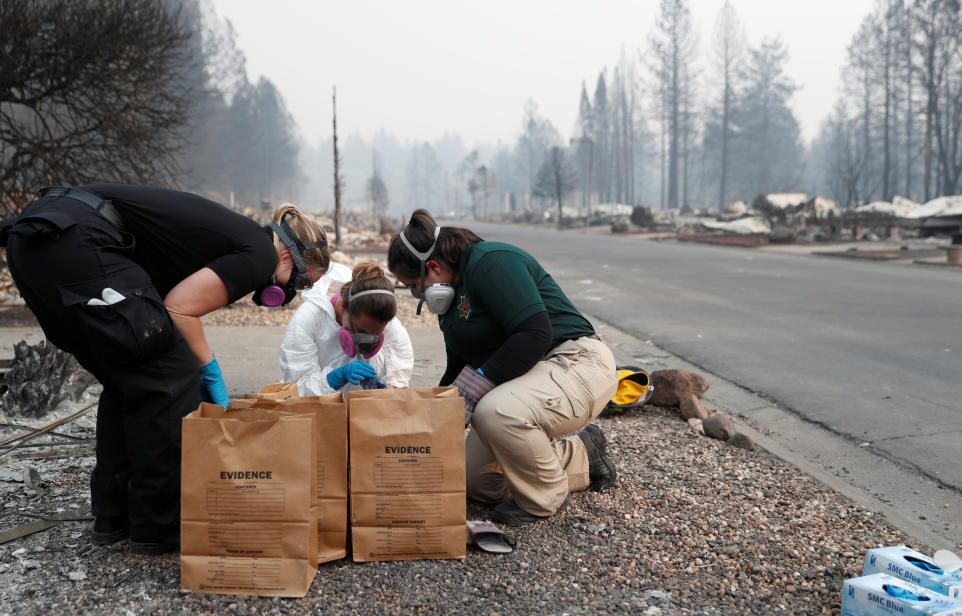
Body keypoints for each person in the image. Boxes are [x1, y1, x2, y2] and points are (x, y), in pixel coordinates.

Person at [0, 187, 329, 552]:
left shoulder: (238, 237)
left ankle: (115, 514)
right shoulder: (260, 253)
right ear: (288, 253)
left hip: (34, 240)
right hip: (78, 240)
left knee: (127, 377)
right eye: (300, 281)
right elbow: (178, 309)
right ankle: (158, 526)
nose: (288, 293)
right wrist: (208, 368)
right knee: (171, 374)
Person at [387, 209, 619, 526]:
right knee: (474, 480)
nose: (418, 295)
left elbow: (536, 333)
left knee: (494, 411)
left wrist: (475, 388)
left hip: (577, 360)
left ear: (434, 266)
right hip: (533, 374)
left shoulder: (491, 262)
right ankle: (583, 453)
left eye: (415, 285)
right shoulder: (452, 304)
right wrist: (428, 421)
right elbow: (458, 371)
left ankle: (546, 498)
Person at [280, 262, 413, 395]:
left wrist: (387, 389)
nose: (365, 342)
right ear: (343, 307)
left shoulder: (380, 317)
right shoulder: (308, 319)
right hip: (320, 409)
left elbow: (400, 373)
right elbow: (297, 389)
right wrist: (334, 378)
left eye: (376, 333)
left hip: (361, 408)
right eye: (361, 331)